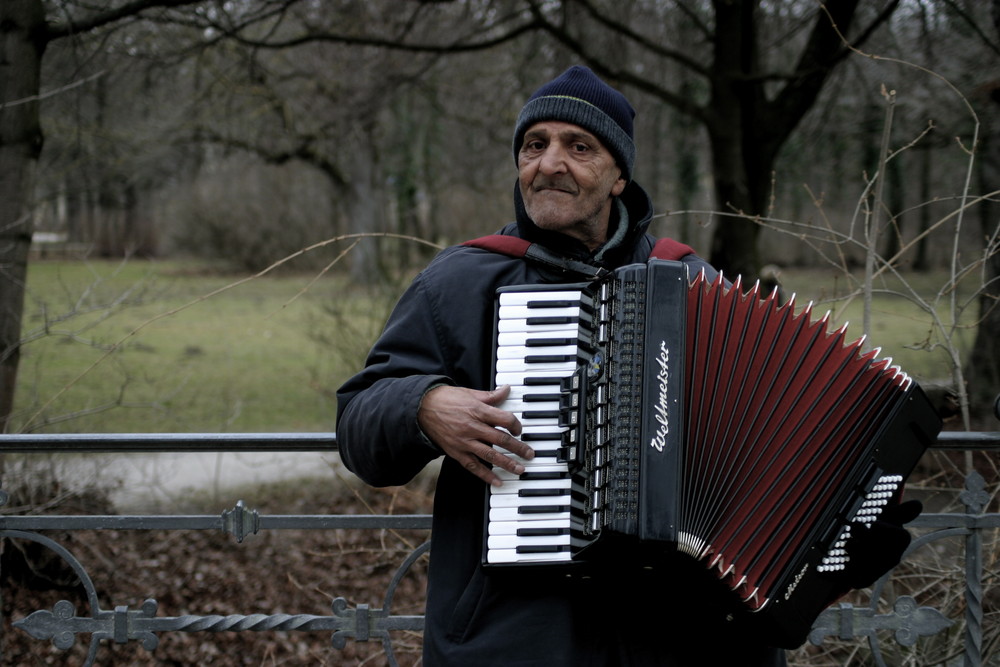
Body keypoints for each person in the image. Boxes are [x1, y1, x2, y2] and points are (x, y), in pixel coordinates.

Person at [336, 66, 916, 666]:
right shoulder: (458, 283)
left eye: (578, 146)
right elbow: (358, 423)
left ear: (619, 176)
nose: (550, 162)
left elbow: (778, 454)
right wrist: (423, 405)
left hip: (684, 639)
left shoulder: (694, 285)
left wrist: (844, 533)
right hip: (520, 636)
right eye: (535, 145)